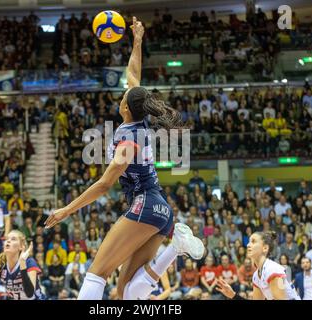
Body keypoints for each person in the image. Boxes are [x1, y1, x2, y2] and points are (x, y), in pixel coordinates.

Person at [44, 17, 205, 301]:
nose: (122, 95)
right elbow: (133, 74)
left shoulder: (128, 140)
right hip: (161, 212)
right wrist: (137, 40)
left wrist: (66, 210)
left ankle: (176, 245)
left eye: (124, 97)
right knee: (126, 294)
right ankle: (175, 247)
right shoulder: (140, 120)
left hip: (144, 205)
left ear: (126, 108)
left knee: (97, 272)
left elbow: (105, 184)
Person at [216, 231, 300, 300]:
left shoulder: (272, 269)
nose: (248, 245)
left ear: (265, 248)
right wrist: (233, 295)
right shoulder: (256, 276)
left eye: (253, 241)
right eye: (249, 242)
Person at [0, 230, 45, 300]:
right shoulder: (0, 264)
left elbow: (30, 294)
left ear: (21, 247)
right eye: (6, 239)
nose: (8, 241)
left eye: (13, 239)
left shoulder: (29, 262)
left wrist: (22, 263)